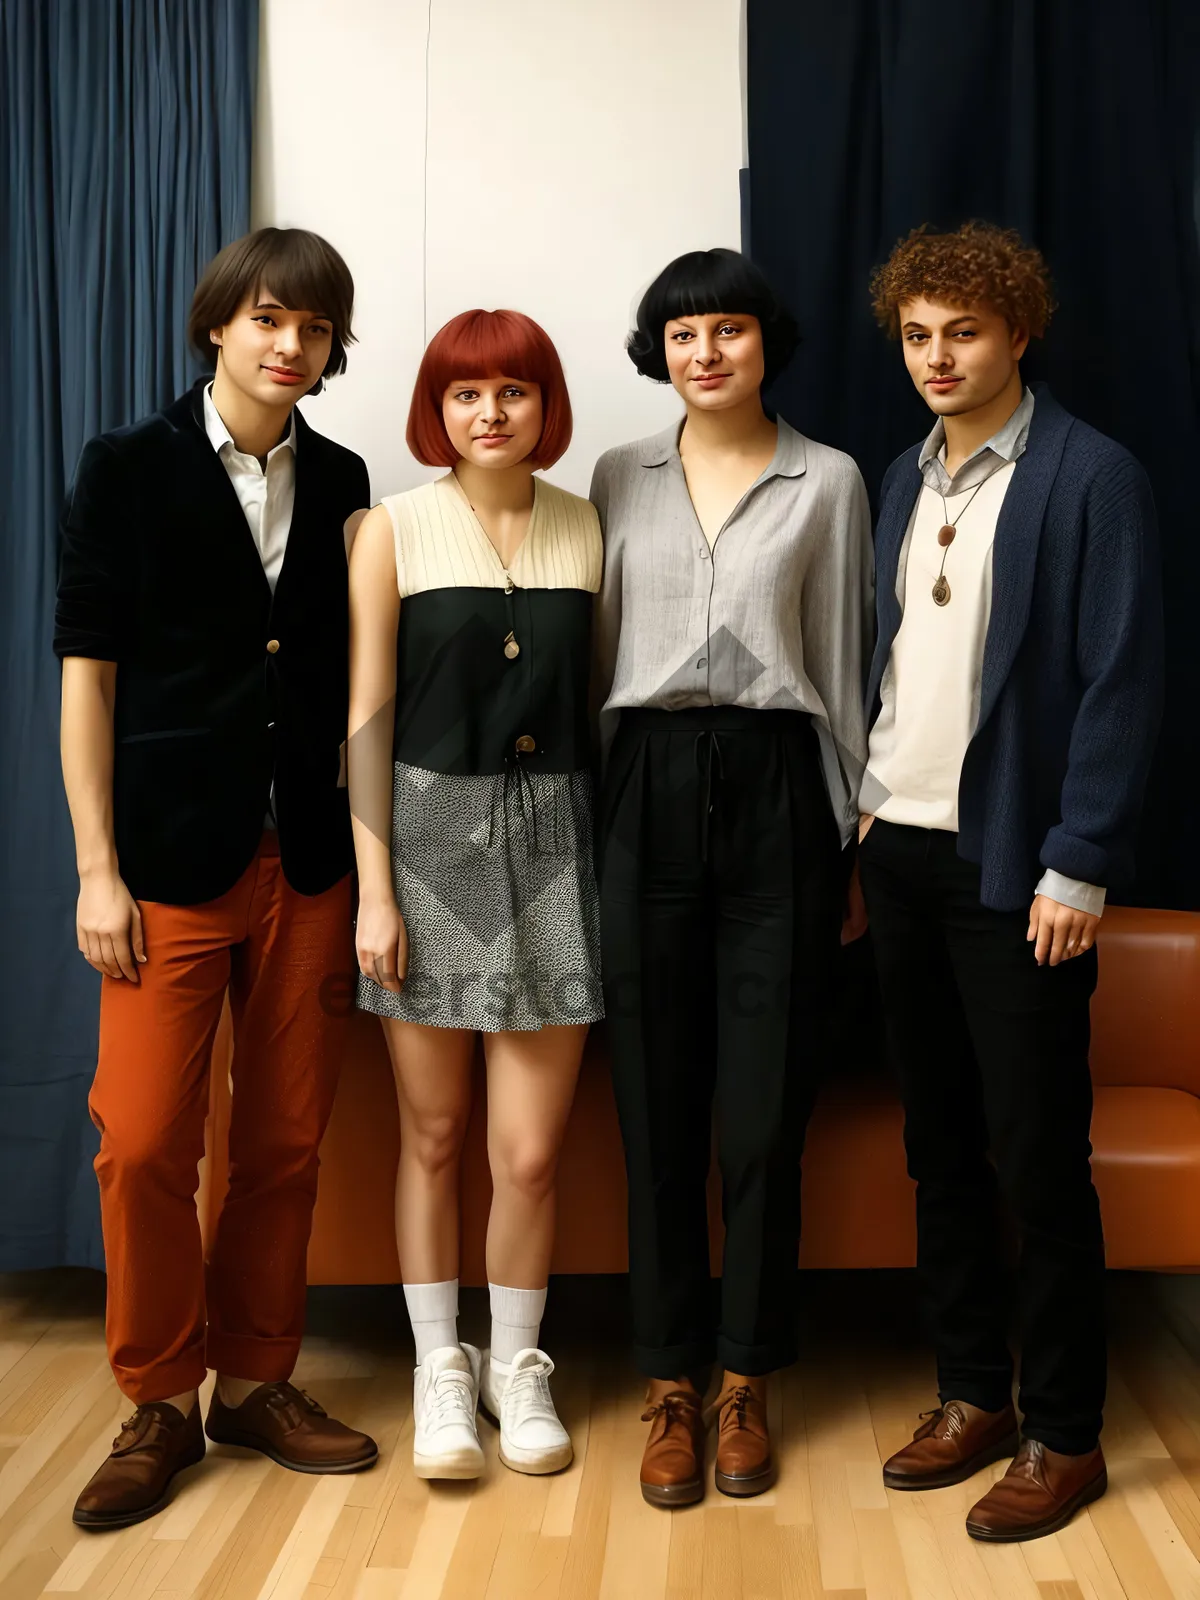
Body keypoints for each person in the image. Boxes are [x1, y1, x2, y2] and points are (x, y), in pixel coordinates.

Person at [57, 229, 379, 1531]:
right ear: (217, 326)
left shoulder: (350, 477)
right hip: (167, 871)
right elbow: (90, 676)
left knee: (284, 1142)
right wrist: (96, 866)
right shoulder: (127, 468)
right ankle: (157, 1399)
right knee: (140, 1142)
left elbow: (357, 689)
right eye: (267, 319)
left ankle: (255, 1381)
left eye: (312, 327)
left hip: (303, 862)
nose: (288, 344)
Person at [859, 222, 1163, 1542]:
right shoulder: (896, 478)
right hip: (901, 853)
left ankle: (1066, 1434)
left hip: (1022, 867)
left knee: (1036, 1157)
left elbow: (1123, 680)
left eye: (963, 332)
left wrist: (1080, 860)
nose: (937, 356)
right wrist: (865, 827)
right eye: (919, 334)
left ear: (1018, 334)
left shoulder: (1093, 477)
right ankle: (972, 1394)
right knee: (939, 1151)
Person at [592, 248, 873, 1508]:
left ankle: (748, 1376)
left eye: (730, 331)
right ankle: (667, 1381)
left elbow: (845, 660)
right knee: (654, 1109)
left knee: (760, 1115)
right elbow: (594, 655)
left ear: (769, 344)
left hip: (778, 796)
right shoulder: (613, 476)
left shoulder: (832, 481)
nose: (706, 352)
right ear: (659, 349)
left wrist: (850, 834)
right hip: (642, 788)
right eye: (683, 332)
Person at [349, 309, 602, 1481]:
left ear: (545, 406)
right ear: (435, 410)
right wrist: (373, 892)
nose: (489, 413)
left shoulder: (587, 525)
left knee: (531, 1151)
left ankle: (517, 1364)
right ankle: (438, 1368)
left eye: (512, 391)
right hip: (425, 839)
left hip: (554, 839)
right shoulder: (389, 528)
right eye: (464, 394)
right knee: (436, 1132)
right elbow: (365, 719)